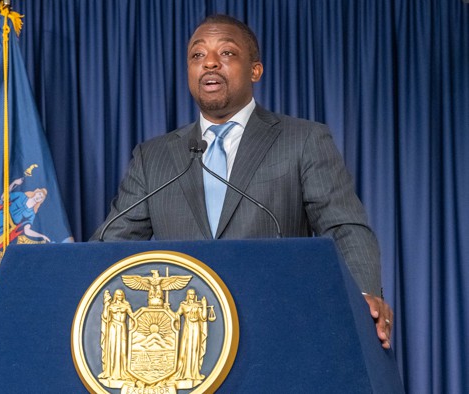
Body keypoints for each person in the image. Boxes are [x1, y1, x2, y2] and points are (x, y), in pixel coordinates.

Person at [92, 14, 393, 348]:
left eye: (226, 53)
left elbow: (344, 228)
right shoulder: (154, 157)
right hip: (187, 340)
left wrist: (364, 294)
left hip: (278, 328)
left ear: (255, 70)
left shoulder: (303, 139)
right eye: (197, 55)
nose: (208, 62)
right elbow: (110, 246)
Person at [98, 289, 134, 381]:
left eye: (121, 294)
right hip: (113, 327)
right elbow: (106, 317)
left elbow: (133, 316)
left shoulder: (126, 305)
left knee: (123, 350)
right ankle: (110, 371)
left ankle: (123, 372)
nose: (120, 296)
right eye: (118, 294)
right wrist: (106, 305)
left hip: (122, 327)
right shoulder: (111, 306)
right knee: (113, 349)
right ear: (115, 296)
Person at [175, 289, 209, 382]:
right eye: (190, 294)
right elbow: (176, 315)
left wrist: (204, 305)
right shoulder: (183, 305)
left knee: (194, 349)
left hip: (196, 328)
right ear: (187, 295)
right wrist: (167, 309)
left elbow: (204, 317)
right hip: (187, 328)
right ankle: (184, 372)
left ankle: (194, 373)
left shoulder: (198, 305)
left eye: (193, 294)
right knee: (185, 349)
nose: (191, 296)